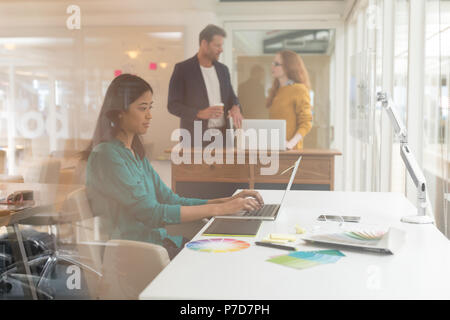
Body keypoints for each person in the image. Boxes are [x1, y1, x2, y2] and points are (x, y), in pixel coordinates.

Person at [83, 74, 263, 259]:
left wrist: (226, 201)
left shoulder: (134, 153)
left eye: (150, 108)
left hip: (160, 243)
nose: (149, 115)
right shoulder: (106, 155)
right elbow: (151, 213)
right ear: (120, 111)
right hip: (137, 254)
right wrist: (220, 209)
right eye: (142, 108)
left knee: (236, 250)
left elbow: (169, 199)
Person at [168, 24, 243, 147]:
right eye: (217, 45)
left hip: (223, 138)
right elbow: (172, 105)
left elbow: (231, 97)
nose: (221, 49)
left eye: (221, 45)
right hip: (194, 138)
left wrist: (236, 107)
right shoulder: (183, 69)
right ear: (204, 44)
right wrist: (199, 113)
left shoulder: (223, 70)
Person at [266, 50, 313, 150]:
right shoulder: (276, 91)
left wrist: (291, 144)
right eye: (273, 63)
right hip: (275, 149)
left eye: (277, 64)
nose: (272, 66)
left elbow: (306, 123)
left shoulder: (299, 89)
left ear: (288, 67)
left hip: (290, 151)